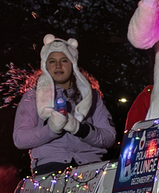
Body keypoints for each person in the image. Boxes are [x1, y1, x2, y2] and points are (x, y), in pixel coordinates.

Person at [13, 35, 117, 176]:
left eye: (64, 60)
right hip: (50, 169)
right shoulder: (33, 96)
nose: (58, 66)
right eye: (52, 61)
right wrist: (51, 130)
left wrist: (81, 129)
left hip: (90, 167)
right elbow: (20, 139)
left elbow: (109, 137)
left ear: (72, 63)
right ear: (45, 65)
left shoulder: (91, 96)